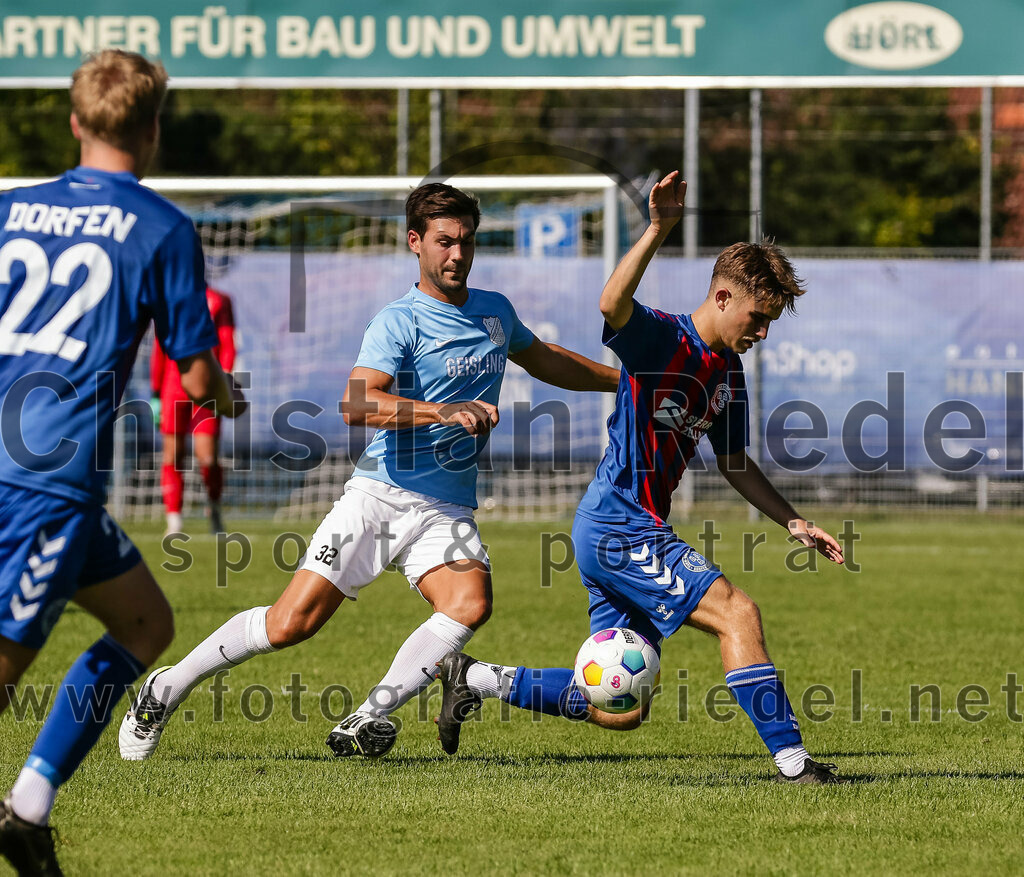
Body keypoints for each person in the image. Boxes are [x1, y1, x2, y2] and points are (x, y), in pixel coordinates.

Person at [119, 182, 619, 762]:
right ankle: (165, 687)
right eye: (445, 242)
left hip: (445, 507)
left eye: (466, 242)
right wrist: (443, 412)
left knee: (469, 603)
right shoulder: (398, 321)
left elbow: (546, 359)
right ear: (415, 242)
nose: (458, 254)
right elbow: (357, 403)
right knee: (290, 624)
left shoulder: (495, 312)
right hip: (379, 497)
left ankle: (368, 717)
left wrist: (625, 381)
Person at [436, 171, 851, 785]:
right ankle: (795, 763)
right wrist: (658, 228)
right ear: (722, 298)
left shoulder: (727, 373)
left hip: (624, 529)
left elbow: (734, 461)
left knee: (620, 708)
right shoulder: (662, 340)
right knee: (737, 613)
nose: (762, 333)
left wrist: (793, 521)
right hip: (620, 525)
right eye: (758, 317)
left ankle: (474, 678)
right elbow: (611, 305)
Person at [0, 50, 245, 876]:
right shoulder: (160, 226)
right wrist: (227, 398)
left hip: (32, 472)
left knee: (147, 624)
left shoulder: (10, 210)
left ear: (75, 122)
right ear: (154, 129)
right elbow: (198, 376)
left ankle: (29, 808)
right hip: (44, 482)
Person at [151, 284, 236, 534]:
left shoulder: (219, 300)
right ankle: (174, 520)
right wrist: (156, 391)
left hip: (208, 386)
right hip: (172, 387)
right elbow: (160, 346)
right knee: (172, 454)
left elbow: (227, 344)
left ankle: (214, 509)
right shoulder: (168, 299)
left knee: (207, 457)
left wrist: (224, 383)